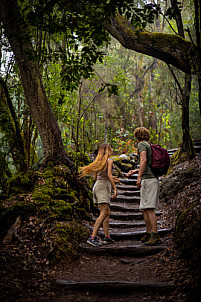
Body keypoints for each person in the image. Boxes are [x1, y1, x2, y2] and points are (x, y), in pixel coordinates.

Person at [127, 127, 162, 245]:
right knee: (144, 208)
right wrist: (136, 171)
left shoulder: (141, 144)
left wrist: (139, 177)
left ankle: (155, 235)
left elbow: (144, 161)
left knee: (149, 208)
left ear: (137, 135)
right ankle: (148, 233)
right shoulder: (148, 145)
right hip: (150, 178)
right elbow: (146, 164)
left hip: (148, 180)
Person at [80, 143, 117, 247]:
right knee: (104, 213)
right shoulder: (109, 161)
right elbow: (109, 175)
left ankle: (106, 237)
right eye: (111, 148)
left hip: (97, 186)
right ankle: (92, 237)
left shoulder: (97, 162)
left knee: (107, 212)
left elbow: (97, 177)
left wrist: (112, 179)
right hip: (103, 187)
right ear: (108, 150)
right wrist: (115, 188)